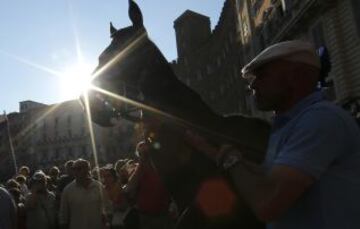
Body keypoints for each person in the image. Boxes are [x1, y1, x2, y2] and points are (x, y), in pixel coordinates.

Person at [186, 40, 360, 229]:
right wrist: (212, 151)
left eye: (262, 76)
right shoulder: (292, 125)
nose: (252, 86)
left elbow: (267, 203)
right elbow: (268, 176)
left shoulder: (321, 119)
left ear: (296, 76)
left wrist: (230, 158)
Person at [59, 158, 110, 229]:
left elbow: (107, 208)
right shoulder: (68, 190)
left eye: (79, 169)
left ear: (87, 170)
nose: (75, 171)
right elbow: (63, 214)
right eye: (73, 169)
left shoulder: (98, 186)